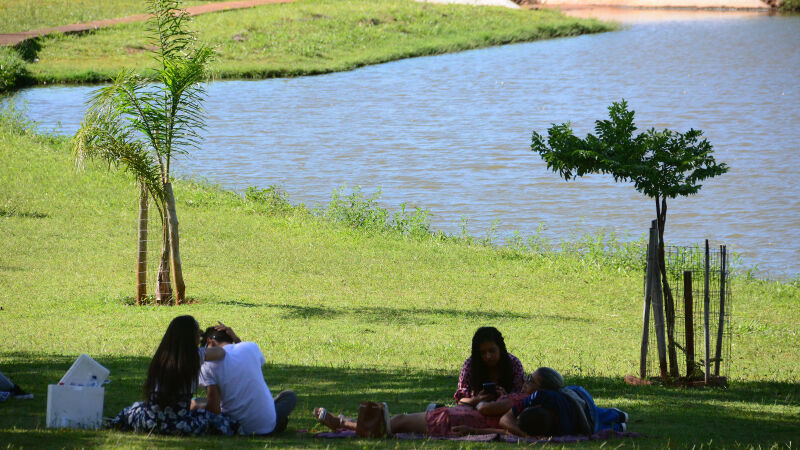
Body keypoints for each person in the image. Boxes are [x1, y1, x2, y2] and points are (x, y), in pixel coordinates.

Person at [109, 315, 239, 436]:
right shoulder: (196, 356)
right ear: (190, 336)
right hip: (180, 424)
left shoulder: (161, 355)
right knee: (224, 421)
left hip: (150, 421)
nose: (200, 337)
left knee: (135, 407)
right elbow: (221, 352)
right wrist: (232, 338)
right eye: (198, 333)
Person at [313, 375, 538, 437]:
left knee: (396, 424)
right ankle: (345, 422)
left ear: (540, 387)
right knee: (399, 420)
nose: (526, 380)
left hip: (458, 420)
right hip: (458, 416)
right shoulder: (524, 401)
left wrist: (487, 404)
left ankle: (342, 423)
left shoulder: (520, 400)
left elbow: (487, 413)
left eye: (532, 380)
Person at [197, 323, 297, 435]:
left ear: (210, 342)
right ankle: (278, 422)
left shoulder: (208, 364)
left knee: (197, 402)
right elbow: (246, 361)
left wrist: (197, 404)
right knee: (289, 396)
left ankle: (277, 422)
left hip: (236, 426)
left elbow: (214, 409)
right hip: (267, 425)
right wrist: (236, 339)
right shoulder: (250, 347)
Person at [493, 367, 629, 437]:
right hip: (575, 410)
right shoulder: (561, 423)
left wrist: (526, 436)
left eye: (531, 380)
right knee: (593, 418)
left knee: (592, 416)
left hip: (580, 398)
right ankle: (618, 422)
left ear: (543, 388)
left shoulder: (538, 396)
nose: (526, 382)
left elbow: (504, 420)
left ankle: (617, 417)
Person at [454, 326, 525, 407]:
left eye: (492, 351)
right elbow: (461, 400)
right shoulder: (470, 365)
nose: (488, 356)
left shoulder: (514, 364)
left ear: (500, 349)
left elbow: (522, 396)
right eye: (483, 353)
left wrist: (506, 397)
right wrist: (477, 399)